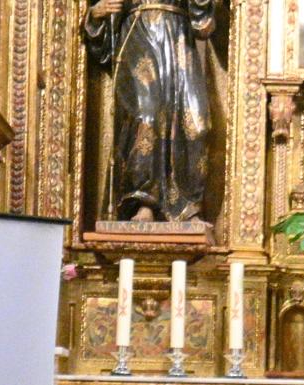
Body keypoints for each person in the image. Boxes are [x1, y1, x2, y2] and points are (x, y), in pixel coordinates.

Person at [83, 0, 215, 222]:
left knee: (196, 124)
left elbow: (204, 26)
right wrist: (97, 14)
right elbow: (103, 34)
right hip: (138, 38)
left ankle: (188, 207)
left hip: (180, 44)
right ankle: (144, 202)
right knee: (146, 117)